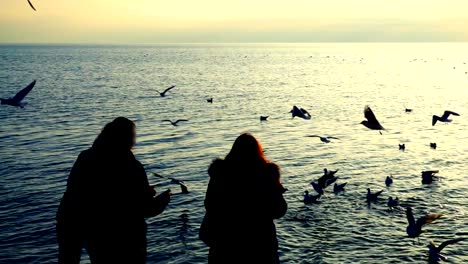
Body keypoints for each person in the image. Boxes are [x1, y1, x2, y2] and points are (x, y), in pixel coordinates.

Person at [56, 117, 171, 264]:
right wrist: (163, 199)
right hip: (112, 232)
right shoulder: (130, 165)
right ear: (127, 138)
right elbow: (145, 209)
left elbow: (90, 190)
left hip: (72, 222)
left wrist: (140, 192)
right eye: (133, 136)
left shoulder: (85, 156)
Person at [200, 133, 287, 263]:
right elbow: (279, 210)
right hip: (260, 245)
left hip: (224, 245)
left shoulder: (220, 174)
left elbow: (210, 204)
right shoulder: (266, 174)